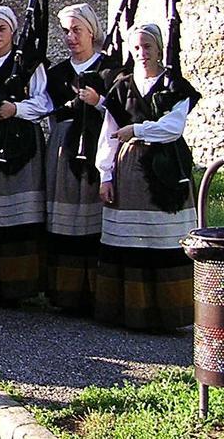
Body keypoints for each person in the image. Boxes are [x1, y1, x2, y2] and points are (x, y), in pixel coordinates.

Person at [94, 23, 197, 331]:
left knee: (162, 239)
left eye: (147, 47)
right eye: (136, 48)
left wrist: (137, 130)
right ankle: (129, 311)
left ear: (159, 47)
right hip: (128, 169)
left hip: (166, 167)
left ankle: (168, 313)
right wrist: (105, 174)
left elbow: (172, 128)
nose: (141, 53)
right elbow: (109, 133)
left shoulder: (173, 84)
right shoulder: (123, 85)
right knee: (130, 239)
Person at [0, 7, 53, 303]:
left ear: (12, 31)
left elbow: (44, 101)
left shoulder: (28, 62)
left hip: (22, 143)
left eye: (2, 29)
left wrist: (16, 109)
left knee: (20, 214)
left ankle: (21, 286)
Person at [43, 3, 121, 313]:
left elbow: (123, 110)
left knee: (95, 217)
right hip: (64, 149)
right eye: (65, 31)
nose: (71, 37)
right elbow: (47, 109)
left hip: (98, 145)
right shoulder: (57, 73)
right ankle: (66, 293)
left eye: (77, 30)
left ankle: (99, 294)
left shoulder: (110, 68)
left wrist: (99, 101)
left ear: (91, 31)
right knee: (66, 219)